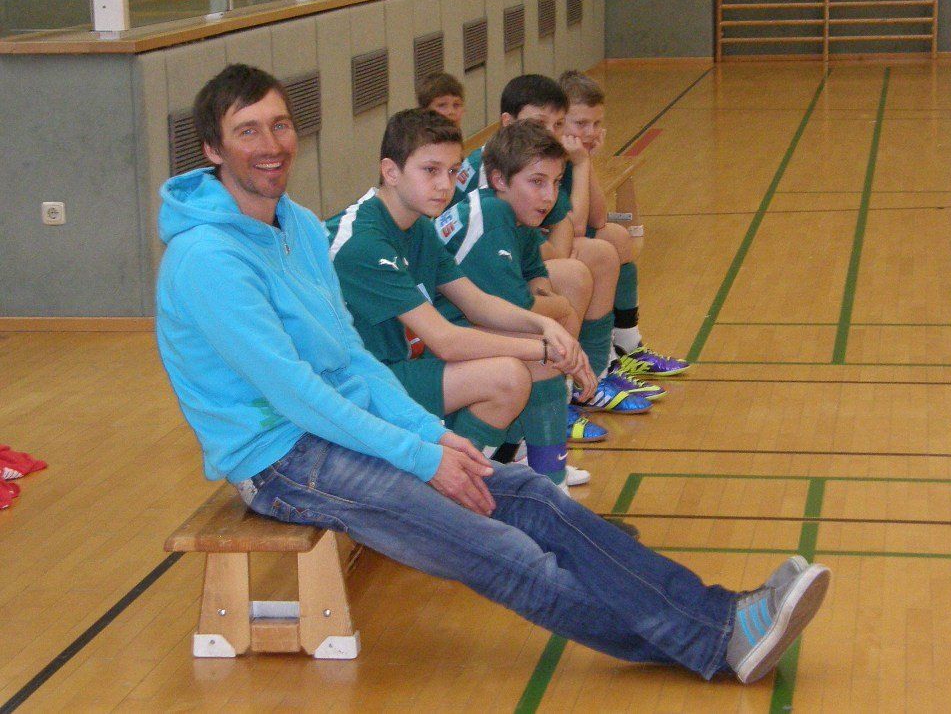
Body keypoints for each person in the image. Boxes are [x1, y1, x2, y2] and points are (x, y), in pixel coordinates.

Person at [155, 64, 831, 686]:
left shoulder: (297, 227)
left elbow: (351, 359)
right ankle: (715, 639)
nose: (271, 144)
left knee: (532, 497)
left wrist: (429, 434)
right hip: (282, 459)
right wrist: (422, 455)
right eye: (247, 131)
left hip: (340, 426)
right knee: (502, 552)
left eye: (279, 124)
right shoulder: (207, 259)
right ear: (213, 149)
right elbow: (297, 394)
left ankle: (720, 616)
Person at [325, 108, 598, 489]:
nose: (445, 185)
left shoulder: (417, 225)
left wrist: (545, 327)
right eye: (430, 170)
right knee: (508, 377)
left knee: (535, 360)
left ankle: (549, 483)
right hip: (353, 385)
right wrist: (544, 347)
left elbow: (475, 302)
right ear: (391, 172)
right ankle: (445, 488)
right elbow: (447, 342)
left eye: (453, 171)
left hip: (398, 365)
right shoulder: (364, 242)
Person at [446, 74, 660, 415]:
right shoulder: (497, 175)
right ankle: (562, 394)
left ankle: (597, 372)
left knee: (602, 250)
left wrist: (584, 162)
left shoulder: (540, 159)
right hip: (468, 287)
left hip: (508, 263)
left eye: (558, 124)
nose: (551, 132)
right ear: (508, 123)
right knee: (572, 281)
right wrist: (556, 300)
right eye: (540, 123)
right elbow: (566, 235)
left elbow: (581, 223)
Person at [559, 70, 688, 377]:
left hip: (563, 234)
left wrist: (588, 161)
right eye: (581, 124)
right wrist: (582, 162)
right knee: (601, 253)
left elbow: (598, 216)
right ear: (558, 120)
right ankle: (601, 362)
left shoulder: (575, 155)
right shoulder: (550, 159)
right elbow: (578, 228)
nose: (591, 132)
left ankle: (627, 344)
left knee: (617, 236)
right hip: (547, 244)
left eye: (597, 124)